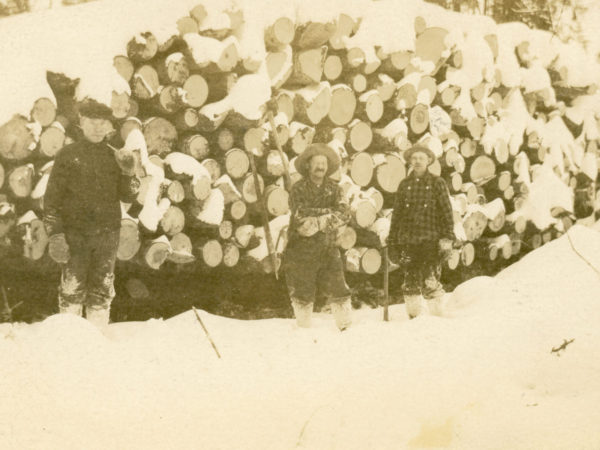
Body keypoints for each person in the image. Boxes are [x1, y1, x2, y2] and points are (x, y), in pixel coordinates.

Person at [43, 98, 139, 329]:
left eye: (103, 123)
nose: (98, 128)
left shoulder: (114, 156)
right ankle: (70, 340)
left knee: (102, 291)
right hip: (75, 235)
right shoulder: (68, 155)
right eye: (93, 122)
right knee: (71, 289)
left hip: (107, 235)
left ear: (108, 126)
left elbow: (129, 197)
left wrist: (128, 172)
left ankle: (97, 339)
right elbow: (51, 200)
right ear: (82, 123)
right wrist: (56, 235)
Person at [283, 143, 353, 331]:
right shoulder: (298, 189)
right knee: (303, 291)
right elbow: (300, 215)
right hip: (303, 248)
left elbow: (345, 212)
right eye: (316, 162)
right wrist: (329, 215)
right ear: (308, 165)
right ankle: (303, 330)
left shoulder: (335, 188)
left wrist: (319, 221)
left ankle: (345, 328)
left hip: (329, 246)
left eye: (323, 163)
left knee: (339, 287)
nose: (320, 167)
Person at [386, 145, 455, 318]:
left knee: (430, 280)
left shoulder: (437, 183)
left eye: (421, 158)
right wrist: (392, 240)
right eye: (414, 158)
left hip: (430, 241)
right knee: (410, 282)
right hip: (408, 242)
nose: (417, 161)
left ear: (429, 161)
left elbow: (446, 212)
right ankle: (414, 318)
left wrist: (447, 238)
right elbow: (397, 215)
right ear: (409, 161)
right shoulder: (404, 185)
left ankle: (437, 318)